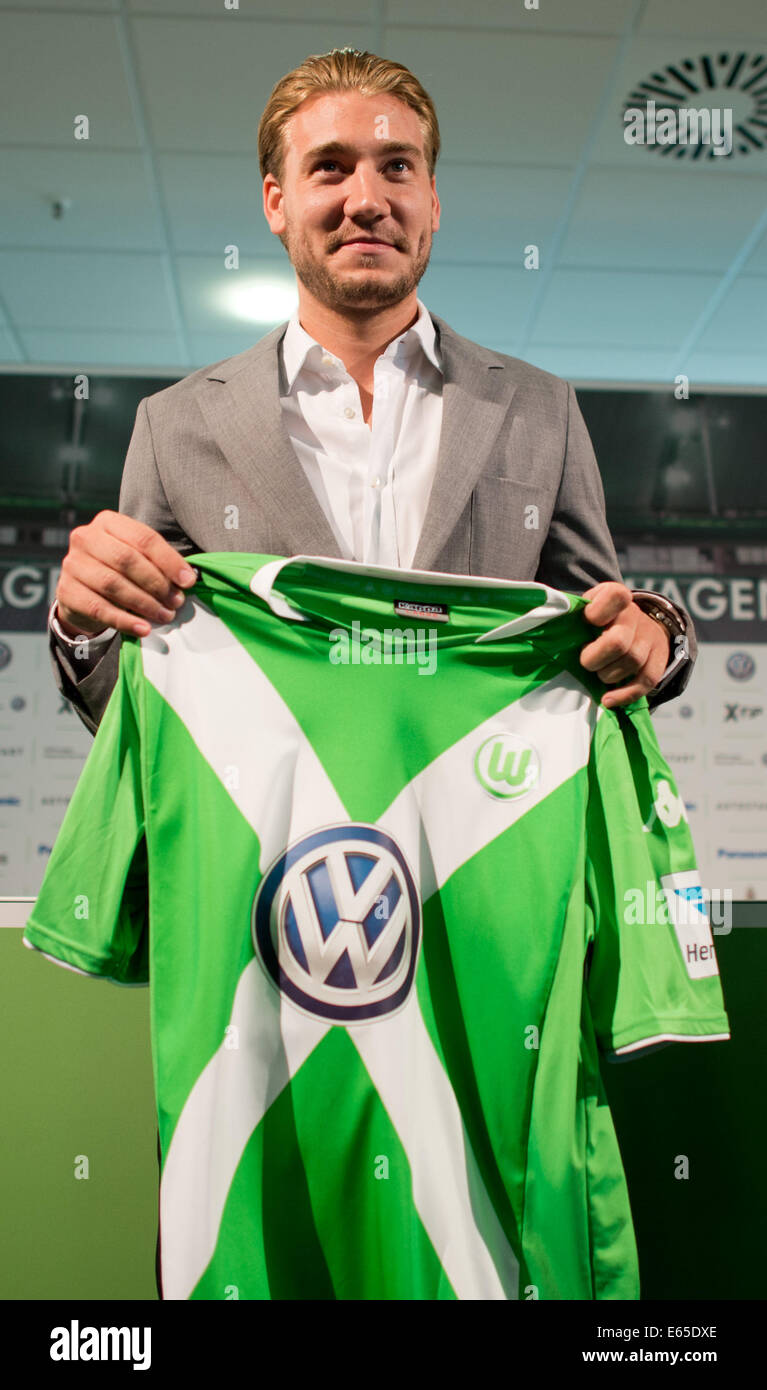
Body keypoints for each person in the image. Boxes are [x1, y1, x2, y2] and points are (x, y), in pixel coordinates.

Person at [47, 48, 695, 737]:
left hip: (483, 824)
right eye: (330, 167)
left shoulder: (541, 409)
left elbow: (602, 636)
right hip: (272, 839)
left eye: (396, 167)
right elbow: (134, 705)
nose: (367, 200)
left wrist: (658, 635)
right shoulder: (174, 425)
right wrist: (83, 628)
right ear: (277, 202)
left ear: (432, 200)